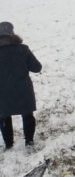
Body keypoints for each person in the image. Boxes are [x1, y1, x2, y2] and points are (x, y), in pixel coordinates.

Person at [0, 21, 42, 150]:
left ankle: (8, 144)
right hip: (23, 89)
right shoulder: (23, 49)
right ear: (12, 33)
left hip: (2, 91)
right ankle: (29, 142)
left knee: (4, 116)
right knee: (27, 115)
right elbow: (37, 68)